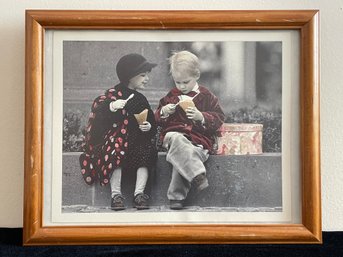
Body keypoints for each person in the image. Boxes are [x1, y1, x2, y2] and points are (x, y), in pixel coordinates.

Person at [79, 53, 157, 211]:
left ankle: (139, 194)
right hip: (115, 142)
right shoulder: (112, 96)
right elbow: (99, 115)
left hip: (136, 143)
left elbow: (151, 122)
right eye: (142, 75)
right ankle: (116, 195)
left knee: (147, 150)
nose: (147, 79)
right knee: (115, 149)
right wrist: (113, 106)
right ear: (129, 76)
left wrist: (148, 127)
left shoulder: (140, 99)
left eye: (147, 75)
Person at [155, 50, 225, 210]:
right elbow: (156, 118)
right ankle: (198, 174)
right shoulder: (171, 96)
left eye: (186, 82)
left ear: (197, 75)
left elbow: (219, 118)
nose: (181, 86)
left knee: (185, 153)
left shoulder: (206, 96)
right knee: (176, 137)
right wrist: (164, 112)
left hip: (198, 143)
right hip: (173, 138)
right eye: (177, 82)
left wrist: (201, 117)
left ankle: (176, 198)